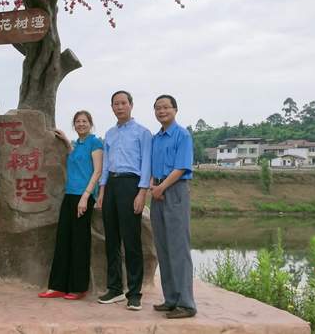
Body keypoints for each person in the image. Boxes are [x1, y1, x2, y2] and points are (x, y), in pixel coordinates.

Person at [38, 110, 103, 300]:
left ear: (90, 124)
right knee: (63, 240)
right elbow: (75, 158)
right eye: (77, 121)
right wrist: (66, 141)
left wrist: (86, 197)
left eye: (84, 121)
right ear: (74, 125)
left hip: (84, 197)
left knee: (79, 242)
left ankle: (78, 288)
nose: (81, 124)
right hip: (69, 196)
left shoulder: (95, 142)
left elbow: (97, 172)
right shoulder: (76, 145)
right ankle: (57, 286)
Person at [97, 90, 152, 311]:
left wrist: (142, 193)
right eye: (115, 104)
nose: (119, 107)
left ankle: (135, 293)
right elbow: (106, 164)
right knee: (111, 239)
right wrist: (102, 191)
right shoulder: (109, 134)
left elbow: (147, 164)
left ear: (131, 105)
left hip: (131, 185)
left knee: (131, 241)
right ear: (112, 108)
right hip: (111, 185)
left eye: (123, 103)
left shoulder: (143, 133)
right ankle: (115, 288)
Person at [150, 95, 197, 319]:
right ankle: (171, 299)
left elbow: (181, 167)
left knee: (178, 247)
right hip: (157, 192)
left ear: (175, 110)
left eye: (166, 107)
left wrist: (161, 188)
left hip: (175, 191)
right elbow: (151, 165)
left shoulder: (182, 135)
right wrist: (152, 184)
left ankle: (186, 304)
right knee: (163, 247)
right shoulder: (156, 138)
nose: (162, 111)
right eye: (158, 108)